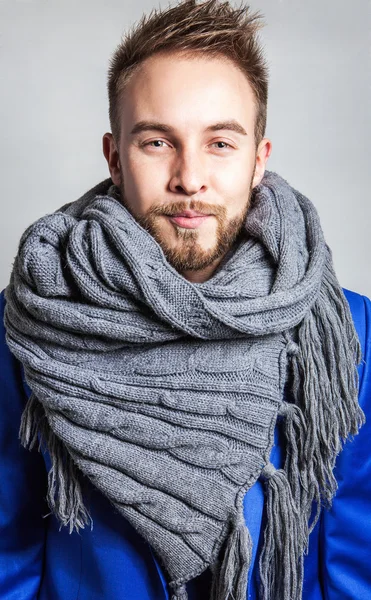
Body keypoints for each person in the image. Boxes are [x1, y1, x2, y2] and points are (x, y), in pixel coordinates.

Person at [1, 0, 370, 599]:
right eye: (156, 142)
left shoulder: (344, 332)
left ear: (259, 160)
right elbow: (6, 556)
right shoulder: (33, 317)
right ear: (115, 158)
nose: (189, 178)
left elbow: (356, 565)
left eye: (220, 143)